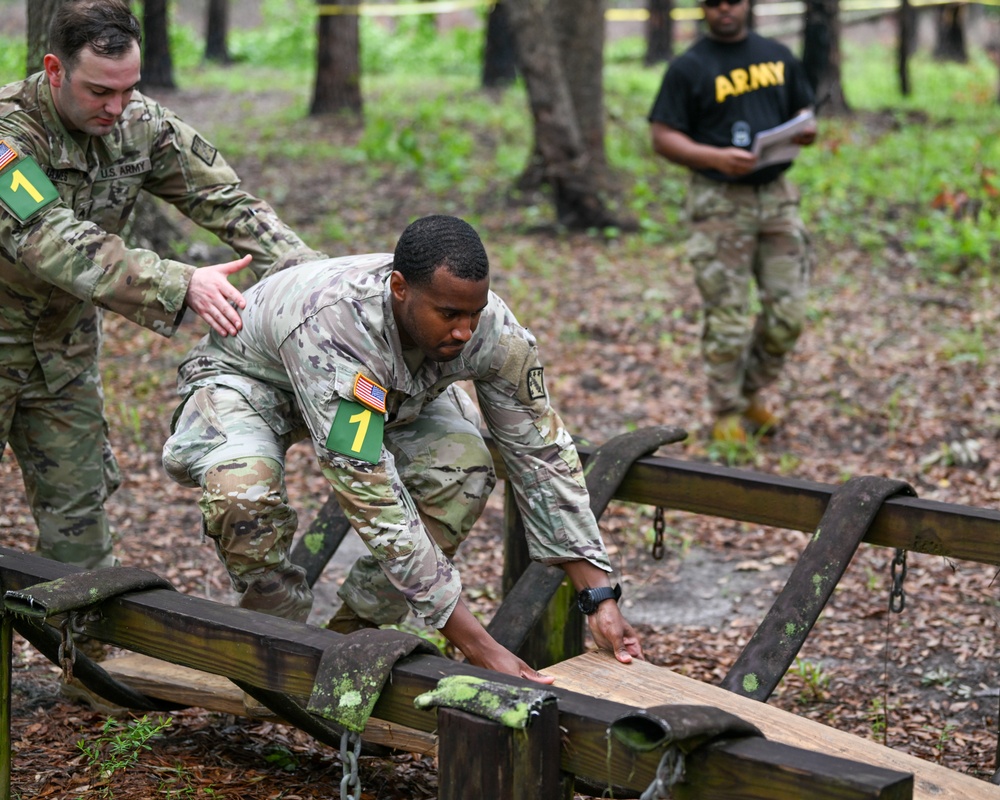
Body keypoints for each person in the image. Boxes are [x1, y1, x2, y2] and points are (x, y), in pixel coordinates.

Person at [162, 214, 644, 684]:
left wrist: (598, 597)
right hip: (251, 381)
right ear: (399, 289)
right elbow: (371, 493)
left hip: (387, 387)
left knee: (464, 473)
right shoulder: (338, 324)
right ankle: (276, 647)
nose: (464, 332)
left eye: (473, 314)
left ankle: (354, 630)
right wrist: (477, 644)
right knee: (242, 497)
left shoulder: (489, 329)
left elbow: (539, 452)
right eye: (450, 315)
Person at [0, 0, 324, 570]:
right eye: (100, 91)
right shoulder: (7, 137)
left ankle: (84, 657)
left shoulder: (139, 122)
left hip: (63, 354)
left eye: (129, 88)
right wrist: (182, 283)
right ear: (55, 70)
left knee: (80, 529)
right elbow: (49, 238)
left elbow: (225, 200)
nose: (116, 106)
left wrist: (318, 281)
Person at [648, 0, 817, 444]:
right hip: (719, 200)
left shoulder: (777, 56)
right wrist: (715, 156)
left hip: (777, 196)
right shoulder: (689, 67)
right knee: (728, 316)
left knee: (788, 312)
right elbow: (662, 136)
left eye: (733, 0)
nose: (724, 9)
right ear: (703, 8)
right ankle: (726, 410)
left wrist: (804, 130)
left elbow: (803, 111)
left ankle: (751, 392)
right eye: (714, 2)